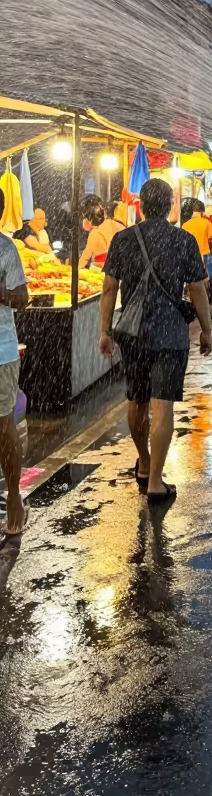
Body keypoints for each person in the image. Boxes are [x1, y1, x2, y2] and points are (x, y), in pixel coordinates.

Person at [100, 178, 212, 506]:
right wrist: (206, 329)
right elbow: (196, 290)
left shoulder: (122, 239)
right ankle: (156, 482)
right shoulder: (184, 240)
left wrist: (104, 331)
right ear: (171, 206)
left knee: (136, 402)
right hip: (171, 335)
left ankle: (145, 461)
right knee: (163, 406)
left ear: (140, 205)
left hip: (133, 334)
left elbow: (108, 289)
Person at [0, 188, 29, 547]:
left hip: (1, 352)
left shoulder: (6, 249)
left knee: (3, 426)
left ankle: (14, 497)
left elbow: (22, 298)